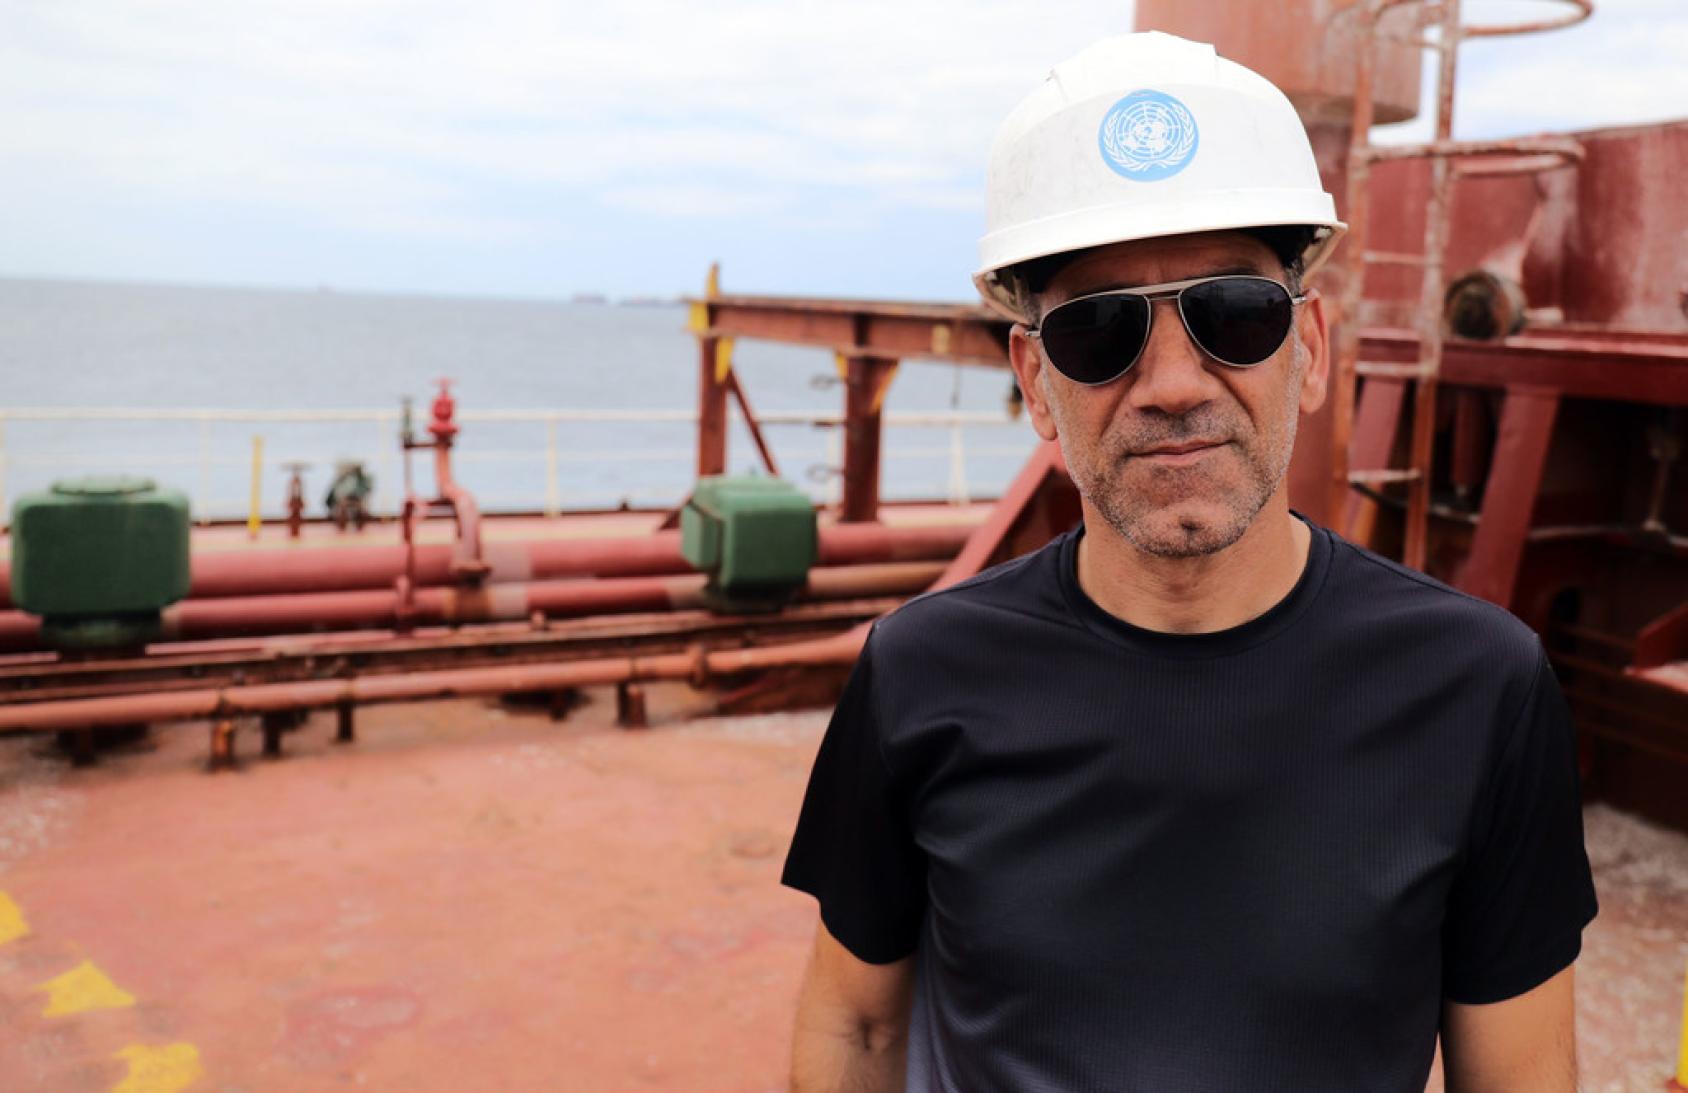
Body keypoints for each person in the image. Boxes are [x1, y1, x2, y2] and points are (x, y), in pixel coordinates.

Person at [781, 31, 1598, 1093]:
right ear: (1033, 381)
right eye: (1098, 332)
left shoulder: (1478, 687)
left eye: (1233, 314)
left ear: (1305, 349)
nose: (1172, 382)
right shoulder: (919, 672)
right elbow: (851, 1027)